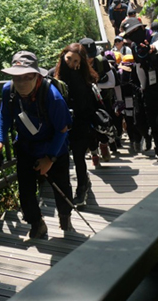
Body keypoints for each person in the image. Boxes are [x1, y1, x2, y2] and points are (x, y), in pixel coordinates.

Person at [0, 51, 73, 238]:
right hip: (27, 146)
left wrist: (50, 159)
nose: (21, 82)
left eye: (27, 77)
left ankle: (65, 217)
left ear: (37, 75)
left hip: (55, 147)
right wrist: (0, 140)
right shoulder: (8, 91)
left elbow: (63, 129)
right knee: (26, 189)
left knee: (62, 186)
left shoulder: (52, 95)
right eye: (17, 77)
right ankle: (36, 223)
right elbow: (4, 115)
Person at [120, 17, 158, 166]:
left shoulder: (157, 37)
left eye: (136, 31)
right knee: (153, 123)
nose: (133, 36)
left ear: (143, 28)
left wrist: (153, 48)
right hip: (151, 87)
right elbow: (140, 67)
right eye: (130, 34)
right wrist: (143, 87)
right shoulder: (136, 47)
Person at [55, 43, 100, 205]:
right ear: (63, 56)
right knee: (67, 158)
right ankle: (74, 187)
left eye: (76, 61)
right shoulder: (54, 75)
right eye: (69, 59)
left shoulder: (83, 79)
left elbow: (86, 104)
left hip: (80, 123)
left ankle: (81, 188)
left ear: (81, 63)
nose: (71, 64)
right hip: (60, 124)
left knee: (79, 156)